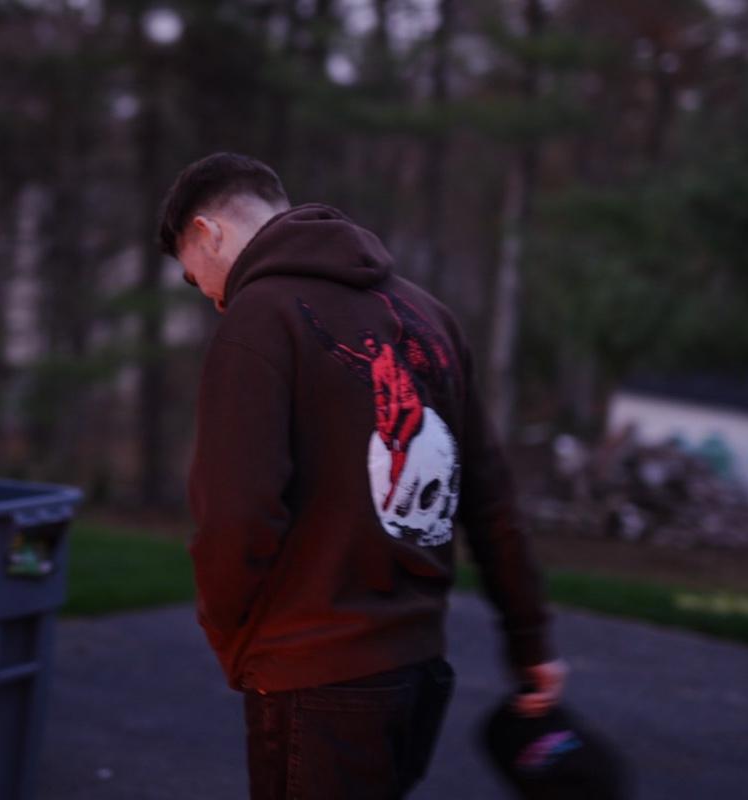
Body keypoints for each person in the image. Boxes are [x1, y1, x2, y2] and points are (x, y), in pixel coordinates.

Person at [158, 152, 566, 799]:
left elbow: (236, 514)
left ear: (210, 233)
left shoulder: (259, 317)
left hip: (313, 675)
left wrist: (233, 639)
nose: (210, 297)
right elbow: (491, 500)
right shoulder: (430, 316)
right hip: (417, 671)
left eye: (193, 276)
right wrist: (530, 640)